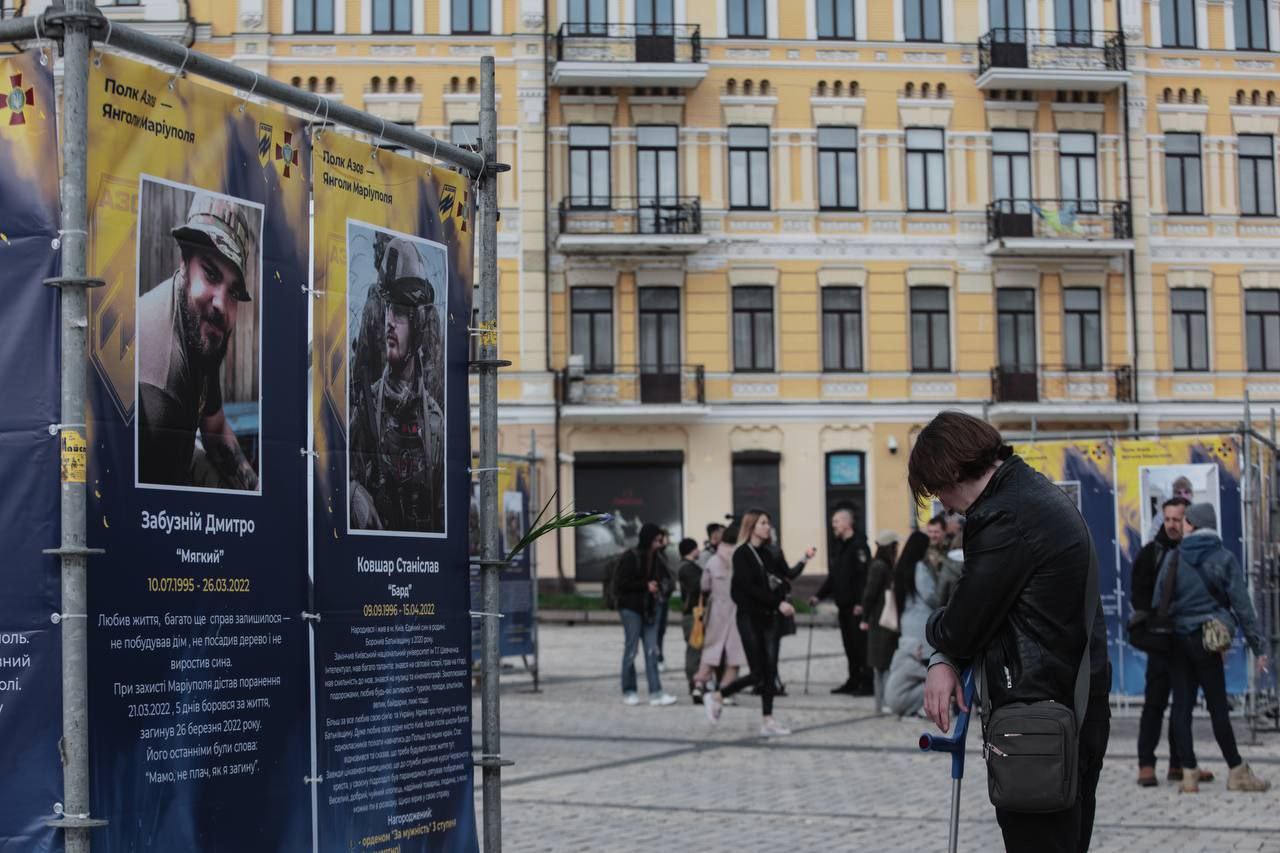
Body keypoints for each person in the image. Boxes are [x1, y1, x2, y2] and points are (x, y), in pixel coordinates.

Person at [914, 411, 1110, 853]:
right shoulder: (1031, 492)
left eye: (938, 488)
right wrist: (947, 655)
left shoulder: (1002, 516)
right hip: (1070, 708)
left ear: (951, 471)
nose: (943, 504)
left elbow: (963, 624)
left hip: (1038, 722)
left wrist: (941, 648)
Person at [137, 192, 259, 491]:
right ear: (184, 261)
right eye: (211, 274)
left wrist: (258, 495)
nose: (220, 303)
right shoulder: (157, 389)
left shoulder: (200, 329)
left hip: (180, 455)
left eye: (233, 291)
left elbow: (214, 427)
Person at [1155, 502, 1271, 793]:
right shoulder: (1224, 557)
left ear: (1191, 524)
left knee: (1181, 707)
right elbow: (1243, 607)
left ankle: (1190, 774)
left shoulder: (1173, 558)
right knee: (1218, 706)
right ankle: (1236, 770)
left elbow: (1159, 601)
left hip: (1179, 641)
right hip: (1210, 642)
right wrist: (1259, 648)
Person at [349, 236, 445, 532]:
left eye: (401, 312)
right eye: (390, 309)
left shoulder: (435, 423)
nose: (390, 321)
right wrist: (354, 495)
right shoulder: (367, 408)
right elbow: (335, 469)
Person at [704, 509, 798, 737]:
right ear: (752, 527)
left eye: (768, 522)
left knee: (770, 670)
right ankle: (717, 695)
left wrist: (781, 590)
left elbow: (780, 579)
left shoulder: (768, 553)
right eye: (763, 523)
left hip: (769, 618)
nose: (768, 527)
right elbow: (747, 588)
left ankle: (768, 720)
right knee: (757, 673)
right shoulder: (742, 554)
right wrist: (777, 604)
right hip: (749, 618)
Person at [1132, 497, 1205, 787]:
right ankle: (1146, 765)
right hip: (1162, 644)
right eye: (1169, 519)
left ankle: (1180, 763)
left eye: (1178, 519)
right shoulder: (1151, 553)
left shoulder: (1196, 552)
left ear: (1188, 520)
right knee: (1154, 704)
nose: (1173, 525)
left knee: (1183, 706)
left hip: (1187, 642)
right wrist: (1157, 622)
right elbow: (1137, 595)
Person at [613, 522, 678, 707]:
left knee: (652, 651)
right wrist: (645, 586)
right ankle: (629, 690)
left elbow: (666, 578)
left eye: (662, 540)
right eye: (657, 540)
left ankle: (656, 692)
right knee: (631, 650)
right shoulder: (631, 557)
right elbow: (621, 584)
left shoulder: (657, 558)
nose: (660, 544)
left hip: (650, 609)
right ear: (649, 539)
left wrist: (661, 588)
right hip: (631, 609)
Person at [810, 506, 873, 695]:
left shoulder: (859, 546)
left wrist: (861, 603)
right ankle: (854, 680)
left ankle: (867, 683)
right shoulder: (839, 546)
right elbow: (833, 577)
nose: (833, 526)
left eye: (836, 522)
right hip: (843, 605)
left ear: (847, 523)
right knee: (849, 646)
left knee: (860, 646)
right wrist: (818, 596)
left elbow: (864, 577)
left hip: (856, 607)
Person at [883, 531, 937, 716]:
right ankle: (927, 702)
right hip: (921, 622)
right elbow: (930, 595)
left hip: (906, 623)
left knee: (911, 661)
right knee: (925, 664)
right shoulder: (919, 568)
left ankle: (914, 700)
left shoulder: (900, 568)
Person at [693, 524, 748, 698]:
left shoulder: (713, 560)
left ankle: (699, 683)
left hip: (716, 610)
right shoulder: (742, 560)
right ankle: (725, 690)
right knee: (735, 654)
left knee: (712, 648)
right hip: (738, 610)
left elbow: (704, 585)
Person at [859, 531, 901, 714]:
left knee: (882, 664)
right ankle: (881, 703)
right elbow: (869, 594)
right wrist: (864, 617)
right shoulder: (880, 566)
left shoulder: (882, 565)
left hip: (882, 619)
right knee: (881, 665)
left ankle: (883, 702)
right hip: (880, 620)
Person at [677, 537, 705, 702]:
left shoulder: (689, 567)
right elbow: (699, 585)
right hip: (693, 615)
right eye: (697, 548)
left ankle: (698, 684)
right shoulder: (687, 568)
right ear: (691, 550)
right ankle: (694, 684)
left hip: (695, 613)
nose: (699, 551)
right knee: (694, 650)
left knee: (697, 650)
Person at [652, 528, 676, 669]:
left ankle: (659, 657)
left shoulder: (662, 555)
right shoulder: (656, 555)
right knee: (657, 630)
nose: (668, 540)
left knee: (660, 630)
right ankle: (657, 658)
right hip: (658, 598)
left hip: (663, 597)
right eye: (666, 537)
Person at [1148, 475, 1194, 540]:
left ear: (1191, 495)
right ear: (1173, 495)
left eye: (1186, 492)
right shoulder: (1162, 515)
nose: (1182, 496)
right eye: (1178, 493)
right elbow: (1152, 538)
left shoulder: (1198, 515)